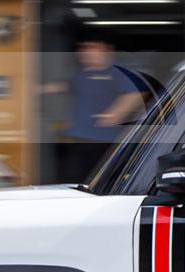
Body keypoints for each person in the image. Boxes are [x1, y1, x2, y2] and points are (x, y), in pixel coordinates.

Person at [49, 34, 148, 183]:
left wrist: (115, 114)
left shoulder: (117, 71)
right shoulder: (84, 73)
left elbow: (137, 92)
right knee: (74, 179)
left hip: (103, 140)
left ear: (107, 49)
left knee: (96, 180)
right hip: (80, 138)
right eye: (83, 48)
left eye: (91, 48)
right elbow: (68, 86)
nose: (85, 52)